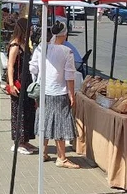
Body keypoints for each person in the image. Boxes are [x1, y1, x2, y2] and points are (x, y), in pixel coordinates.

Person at [29, 20, 79, 168]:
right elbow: (70, 76)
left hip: (43, 91)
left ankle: (43, 152)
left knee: (45, 120)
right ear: (64, 34)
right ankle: (61, 157)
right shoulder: (66, 52)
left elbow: (33, 68)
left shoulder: (41, 48)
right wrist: (71, 94)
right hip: (58, 92)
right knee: (60, 124)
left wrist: (38, 80)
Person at [6, 19, 38, 155]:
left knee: (28, 110)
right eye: (29, 29)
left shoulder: (25, 44)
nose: (31, 31)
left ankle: (25, 140)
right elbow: (10, 65)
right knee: (19, 112)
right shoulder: (15, 45)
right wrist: (12, 84)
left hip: (27, 82)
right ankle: (18, 142)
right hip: (19, 82)